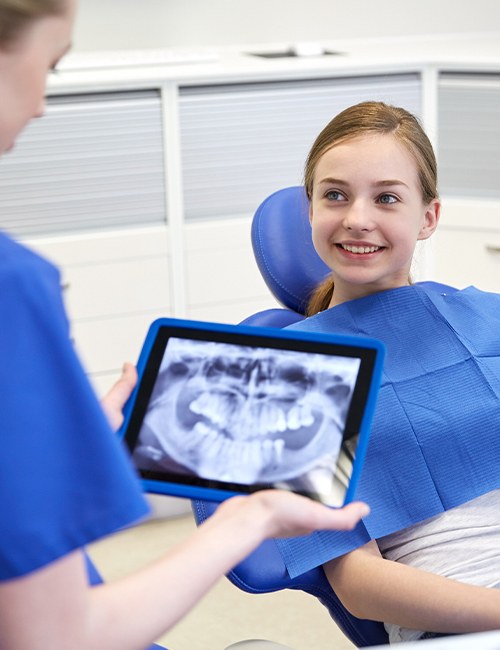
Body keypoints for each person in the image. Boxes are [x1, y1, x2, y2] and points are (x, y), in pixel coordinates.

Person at [0, 2, 371, 649]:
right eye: (50, 66)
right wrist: (248, 518)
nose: (40, 105)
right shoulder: (14, 286)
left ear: (431, 215)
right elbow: (55, 635)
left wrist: (52, 441)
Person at [274, 101, 500, 643]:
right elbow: (358, 582)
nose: (356, 218)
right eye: (335, 195)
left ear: (428, 218)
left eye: (387, 198)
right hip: (459, 617)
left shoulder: (489, 319)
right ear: (310, 210)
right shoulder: (290, 376)